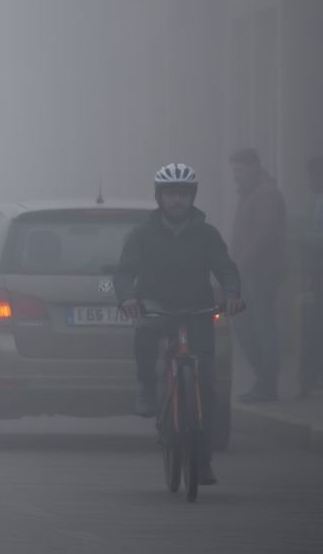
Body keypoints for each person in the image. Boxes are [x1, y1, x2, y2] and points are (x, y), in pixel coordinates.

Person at [115, 163, 244, 485]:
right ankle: (147, 387)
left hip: (198, 309)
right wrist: (128, 298)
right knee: (145, 331)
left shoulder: (207, 234)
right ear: (159, 196)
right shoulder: (142, 234)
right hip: (156, 306)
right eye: (171, 193)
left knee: (206, 385)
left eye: (183, 194)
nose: (177, 200)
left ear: (193, 196)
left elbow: (226, 268)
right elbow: (125, 272)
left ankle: (202, 461)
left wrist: (231, 294)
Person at [229, 148, 288, 402]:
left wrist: (241, 263)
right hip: (249, 272)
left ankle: (267, 385)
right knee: (246, 326)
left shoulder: (266, 194)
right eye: (234, 170)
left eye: (239, 170)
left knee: (262, 327)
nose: (236, 175)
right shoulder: (249, 193)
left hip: (262, 272)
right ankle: (264, 381)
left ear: (254, 167)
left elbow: (266, 234)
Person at [297, 155, 323, 397]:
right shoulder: (317, 201)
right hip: (315, 271)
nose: (309, 181)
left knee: (314, 325)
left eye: (313, 175)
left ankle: (310, 377)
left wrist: (302, 240)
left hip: (318, 271)